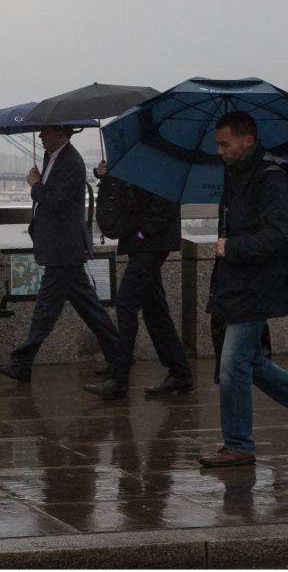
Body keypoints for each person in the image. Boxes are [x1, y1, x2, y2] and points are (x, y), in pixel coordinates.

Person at [198, 111, 288, 467]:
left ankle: (239, 444)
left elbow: (283, 233)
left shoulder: (270, 178)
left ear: (248, 140)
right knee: (253, 362)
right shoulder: (236, 175)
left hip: (258, 285)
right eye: (217, 144)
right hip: (238, 283)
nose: (220, 151)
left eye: (225, 144)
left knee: (233, 365)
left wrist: (234, 247)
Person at [0, 126, 120, 383]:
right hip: (61, 247)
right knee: (90, 309)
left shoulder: (72, 162)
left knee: (45, 309)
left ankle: (22, 362)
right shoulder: (52, 157)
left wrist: (36, 185)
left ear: (61, 134)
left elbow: (55, 202)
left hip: (65, 248)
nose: (40, 137)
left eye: (45, 132)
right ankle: (120, 356)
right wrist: (40, 182)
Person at [82, 161, 193, 398]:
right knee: (155, 310)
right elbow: (129, 196)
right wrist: (107, 176)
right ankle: (180, 373)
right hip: (143, 242)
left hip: (151, 243)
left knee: (126, 302)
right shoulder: (143, 160)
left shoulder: (162, 162)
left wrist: (143, 232)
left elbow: (165, 207)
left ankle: (119, 377)